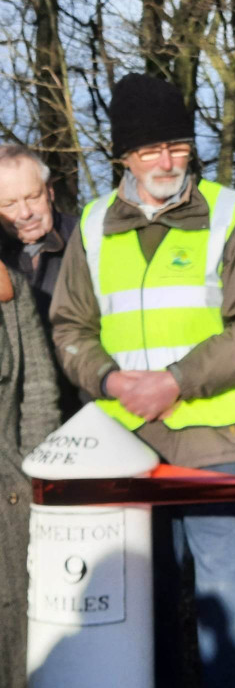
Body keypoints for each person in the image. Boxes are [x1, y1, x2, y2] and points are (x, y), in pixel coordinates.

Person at [49, 73, 235, 687]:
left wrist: (176, 380)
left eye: (178, 145)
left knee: (228, 590)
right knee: (137, 609)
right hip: (124, 447)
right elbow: (69, 326)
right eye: (151, 149)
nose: (167, 161)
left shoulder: (230, 213)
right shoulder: (93, 226)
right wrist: (107, 378)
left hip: (218, 442)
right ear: (124, 155)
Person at [0, 260, 60, 688]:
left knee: (15, 636)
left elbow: (38, 393)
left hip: (9, 495)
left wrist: (35, 474)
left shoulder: (9, 286)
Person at [0, 144, 81, 415]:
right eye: (9, 204)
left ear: (50, 191)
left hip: (85, 405)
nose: (25, 213)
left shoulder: (87, 240)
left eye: (33, 197)